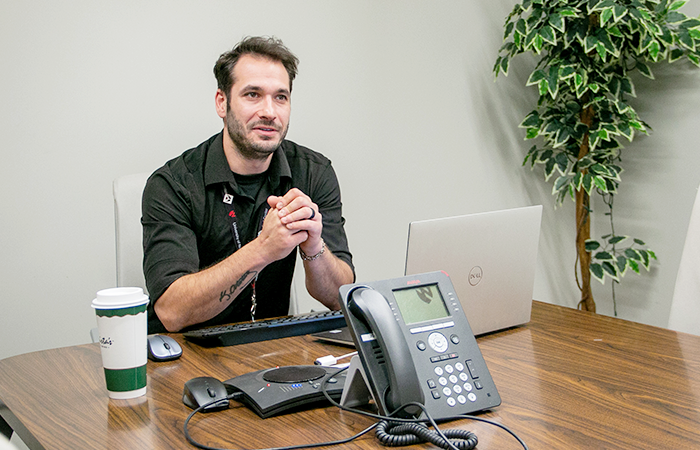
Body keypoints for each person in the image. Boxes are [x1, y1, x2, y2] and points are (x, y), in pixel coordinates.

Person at [142, 36, 355, 333]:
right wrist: (263, 250)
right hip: (185, 357)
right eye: (253, 94)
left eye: (281, 97)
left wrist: (313, 244)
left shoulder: (313, 172)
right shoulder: (173, 185)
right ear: (222, 102)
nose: (269, 111)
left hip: (270, 350)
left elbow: (339, 298)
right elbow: (172, 312)